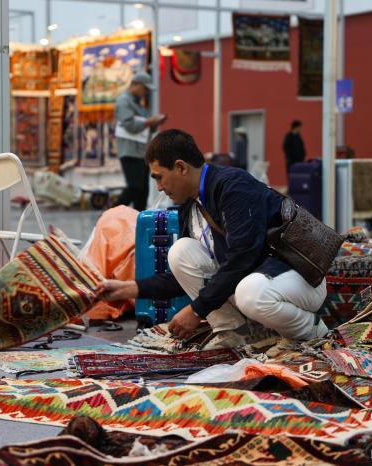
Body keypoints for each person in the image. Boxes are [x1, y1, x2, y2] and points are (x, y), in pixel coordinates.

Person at [98, 129, 328, 349]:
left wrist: (196, 311)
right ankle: (234, 331)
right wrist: (131, 288)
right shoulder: (190, 204)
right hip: (259, 280)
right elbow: (185, 277)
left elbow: (242, 258)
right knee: (180, 252)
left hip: (301, 280)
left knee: (250, 293)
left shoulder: (234, 187)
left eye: (160, 178)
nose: (159, 187)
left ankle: (312, 331)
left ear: (181, 167)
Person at [113, 71, 168, 212]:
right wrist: (150, 121)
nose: (146, 92)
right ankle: (111, 213)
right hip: (130, 151)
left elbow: (145, 127)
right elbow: (129, 125)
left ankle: (139, 219)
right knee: (134, 187)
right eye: (145, 88)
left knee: (143, 191)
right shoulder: (124, 101)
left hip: (141, 152)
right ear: (136, 84)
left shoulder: (138, 105)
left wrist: (155, 122)